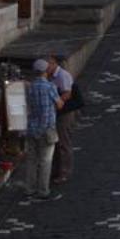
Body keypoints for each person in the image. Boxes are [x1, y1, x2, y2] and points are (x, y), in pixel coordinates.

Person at [23, 55, 61, 200]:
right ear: (46, 71)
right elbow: (58, 104)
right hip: (46, 129)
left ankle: (29, 188)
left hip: (32, 128)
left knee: (32, 160)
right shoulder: (50, 86)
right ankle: (43, 190)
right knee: (46, 161)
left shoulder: (31, 87)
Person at [49, 56, 82, 188]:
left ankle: (65, 172)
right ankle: (57, 170)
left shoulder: (62, 76)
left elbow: (67, 94)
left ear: (53, 63)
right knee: (57, 143)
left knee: (64, 142)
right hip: (57, 112)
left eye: (48, 65)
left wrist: (55, 102)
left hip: (64, 113)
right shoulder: (51, 76)